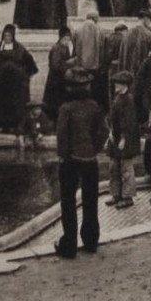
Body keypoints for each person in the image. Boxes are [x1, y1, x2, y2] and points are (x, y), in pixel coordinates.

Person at [55, 67, 109, 259]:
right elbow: (103, 131)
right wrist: (94, 148)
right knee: (90, 201)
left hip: (70, 160)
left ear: (69, 87)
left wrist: (63, 155)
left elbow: (62, 135)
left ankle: (69, 245)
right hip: (90, 160)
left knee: (68, 203)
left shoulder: (66, 108)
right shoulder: (94, 106)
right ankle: (91, 241)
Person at [0, 24, 39, 133]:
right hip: (2, 85)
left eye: (9, 36)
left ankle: (15, 125)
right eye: (5, 36)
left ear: (13, 37)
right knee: (2, 104)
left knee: (15, 104)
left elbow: (29, 62)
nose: (7, 38)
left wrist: (26, 75)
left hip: (15, 84)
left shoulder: (20, 49)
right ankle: (2, 125)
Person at [105, 71, 140, 210]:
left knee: (126, 168)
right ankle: (116, 194)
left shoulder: (128, 100)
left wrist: (124, 139)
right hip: (116, 137)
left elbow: (129, 122)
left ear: (124, 85)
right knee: (114, 167)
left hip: (125, 139)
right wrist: (111, 132)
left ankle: (127, 196)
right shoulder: (118, 98)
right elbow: (113, 118)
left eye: (118, 84)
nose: (115, 86)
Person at [73, 12, 107, 111]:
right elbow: (102, 49)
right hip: (95, 67)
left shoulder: (77, 30)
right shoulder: (100, 30)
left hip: (80, 67)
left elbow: (74, 49)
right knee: (94, 92)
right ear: (95, 19)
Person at [42, 27, 75, 122]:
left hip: (60, 80)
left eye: (68, 39)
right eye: (65, 39)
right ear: (60, 38)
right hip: (55, 80)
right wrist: (68, 64)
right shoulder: (57, 48)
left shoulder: (65, 48)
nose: (67, 41)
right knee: (54, 103)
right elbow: (55, 65)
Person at [117, 9, 151, 75]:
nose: (150, 23)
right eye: (150, 20)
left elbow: (122, 56)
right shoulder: (149, 35)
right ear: (146, 18)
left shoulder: (127, 34)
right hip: (142, 73)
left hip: (128, 73)